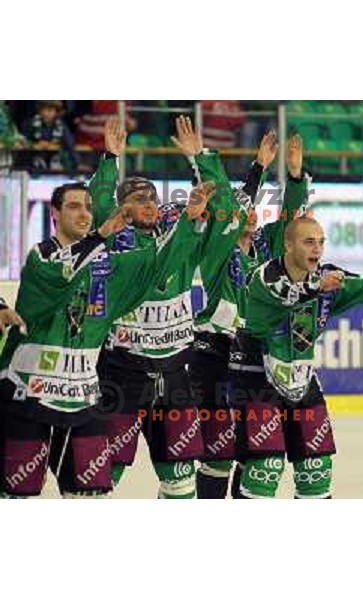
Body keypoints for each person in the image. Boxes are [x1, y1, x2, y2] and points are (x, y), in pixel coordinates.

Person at [0, 157, 213, 498]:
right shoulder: (40, 257)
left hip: (82, 401)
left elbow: (156, 265)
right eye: (73, 207)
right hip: (29, 397)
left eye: (87, 207)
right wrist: (100, 230)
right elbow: (61, 275)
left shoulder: (110, 264)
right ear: (53, 213)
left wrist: (188, 221)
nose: (84, 213)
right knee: (17, 497)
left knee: (94, 495)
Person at [90, 117, 242, 499]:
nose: (150, 204)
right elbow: (98, 204)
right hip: (123, 374)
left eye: (154, 198)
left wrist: (201, 159)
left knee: (180, 480)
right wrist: (110, 158)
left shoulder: (182, 232)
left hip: (175, 376)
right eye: (139, 199)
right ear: (120, 207)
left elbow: (223, 208)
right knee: (103, 474)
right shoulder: (114, 243)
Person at [230, 216, 363, 499]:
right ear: (288, 244)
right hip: (255, 379)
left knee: (316, 470)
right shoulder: (263, 276)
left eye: (321, 242)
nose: (316, 249)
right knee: (265, 469)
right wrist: (318, 287)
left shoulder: (327, 278)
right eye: (308, 242)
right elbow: (286, 295)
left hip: (302, 380)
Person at [172, 118, 311, 498]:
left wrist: (294, 177)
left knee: (256, 451)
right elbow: (223, 204)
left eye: (253, 210)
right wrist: (201, 158)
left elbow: (293, 223)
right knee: (217, 453)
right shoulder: (219, 249)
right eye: (240, 210)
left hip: (257, 356)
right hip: (215, 351)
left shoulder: (268, 248)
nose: (249, 213)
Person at [22, 101, 78, 171]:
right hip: (34, 158)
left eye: (51, 110)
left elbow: (69, 144)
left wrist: (77, 163)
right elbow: (23, 142)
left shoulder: (61, 126)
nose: (47, 113)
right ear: (40, 111)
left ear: (56, 112)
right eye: (45, 109)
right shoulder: (31, 124)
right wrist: (35, 145)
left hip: (57, 159)